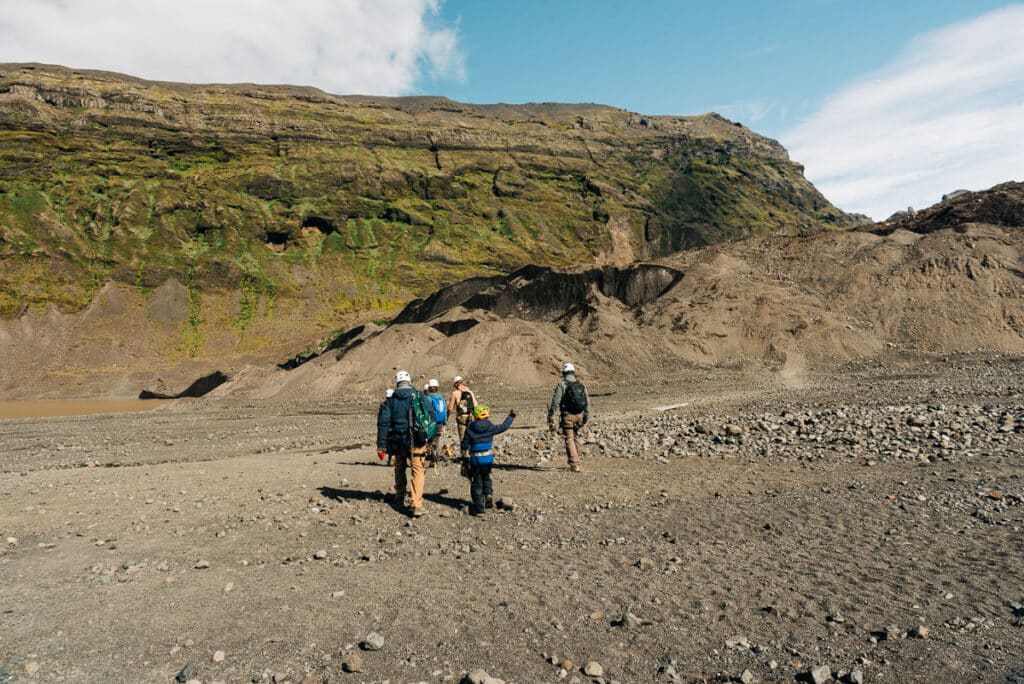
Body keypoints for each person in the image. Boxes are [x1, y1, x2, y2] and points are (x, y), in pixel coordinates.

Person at [376, 370, 435, 517]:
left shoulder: (390, 401)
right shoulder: (420, 396)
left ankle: (399, 495)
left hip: (398, 441)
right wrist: (431, 438)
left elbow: (383, 424)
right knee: (417, 470)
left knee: (399, 467)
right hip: (417, 440)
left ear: (397, 382)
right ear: (409, 381)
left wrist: (381, 446)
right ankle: (417, 504)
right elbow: (431, 416)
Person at [460, 404, 515, 515]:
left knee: (477, 482)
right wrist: (511, 416)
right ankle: (488, 495)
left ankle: (479, 508)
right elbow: (503, 426)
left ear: (476, 416)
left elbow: (464, 446)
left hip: (476, 460)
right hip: (487, 459)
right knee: (486, 477)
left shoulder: (470, 429)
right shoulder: (490, 427)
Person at [547, 362, 590, 473]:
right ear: (573, 372)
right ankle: (577, 459)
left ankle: (574, 464)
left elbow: (555, 402)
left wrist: (550, 415)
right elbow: (587, 402)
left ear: (563, 373)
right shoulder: (581, 385)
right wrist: (586, 417)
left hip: (568, 416)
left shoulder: (562, 385)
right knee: (574, 437)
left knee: (569, 439)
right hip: (580, 415)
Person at [448, 375, 478, 458]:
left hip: (461, 417)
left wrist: (446, 417)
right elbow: (476, 405)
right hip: (470, 416)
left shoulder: (455, 393)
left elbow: (450, 408)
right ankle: (472, 455)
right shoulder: (470, 392)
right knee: (471, 436)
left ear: (455, 384)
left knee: (462, 437)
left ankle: (464, 456)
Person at [425, 379, 448, 462]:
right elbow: (444, 410)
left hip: (431, 422)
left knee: (429, 439)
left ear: (429, 388)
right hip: (440, 422)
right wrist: (444, 423)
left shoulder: (428, 398)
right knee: (436, 439)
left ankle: (431, 456)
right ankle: (435, 455)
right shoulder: (441, 398)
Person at [378, 388, 395, 466]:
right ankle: (393, 457)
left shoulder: (383, 404)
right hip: (393, 425)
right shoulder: (395, 404)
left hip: (383, 426)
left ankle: (390, 458)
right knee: (394, 442)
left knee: (387, 442)